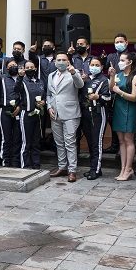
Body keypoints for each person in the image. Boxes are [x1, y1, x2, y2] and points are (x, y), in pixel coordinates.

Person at [47, 52, 84, 182]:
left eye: (64, 59)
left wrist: (74, 72)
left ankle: (72, 170)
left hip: (70, 114)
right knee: (59, 142)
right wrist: (48, 107)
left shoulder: (73, 73)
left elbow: (80, 85)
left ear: (68, 61)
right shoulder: (51, 76)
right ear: (55, 62)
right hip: (55, 114)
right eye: (59, 59)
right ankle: (62, 167)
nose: (61, 62)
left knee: (70, 142)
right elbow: (49, 95)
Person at [109, 51, 136, 181]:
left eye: (123, 60)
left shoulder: (135, 77)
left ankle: (128, 168)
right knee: (121, 141)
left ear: (130, 62)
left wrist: (120, 92)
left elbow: (134, 97)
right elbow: (111, 88)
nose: (120, 63)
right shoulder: (119, 74)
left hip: (129, 109)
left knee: (129, 140)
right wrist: (111, 76)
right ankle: (123, 168)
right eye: (120, 60)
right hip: (118, 108)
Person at [80, 55, 111, 179]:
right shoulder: (86, 79)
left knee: (97, 142)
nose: (94, 67)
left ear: (102, 67)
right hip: (86, 114)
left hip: (98, 114)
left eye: (97, 65)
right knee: (90, 141)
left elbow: (108, 97)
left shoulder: (104, 80)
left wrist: (98, 97)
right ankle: (94, 167)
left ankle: (95, 170)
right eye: (92, 65)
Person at [15, 61, 46, 169]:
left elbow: (44, 96)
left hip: (37, 114)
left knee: (36, 141)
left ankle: (36, 164)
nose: (29, 69)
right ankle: (25, 165)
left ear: (35, 68)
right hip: (26, 114)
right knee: (26, 141)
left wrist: (43, 102)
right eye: (27, 67)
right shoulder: (22, 81)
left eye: (31, 67)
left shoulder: (40, 82)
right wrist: (20, 76)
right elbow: (16, 90)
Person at [0, 59, 22, 167]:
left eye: (15, 64)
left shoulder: (22, 78)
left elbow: (25, 95)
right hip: (5, 110)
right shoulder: (2, 78)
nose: (13, 66)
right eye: (10, 65)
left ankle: (16, 161)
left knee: (18, 137)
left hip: (19, 110)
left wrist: (19, 106)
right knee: (6, 137)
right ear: (7, 68)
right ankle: (5, 160)